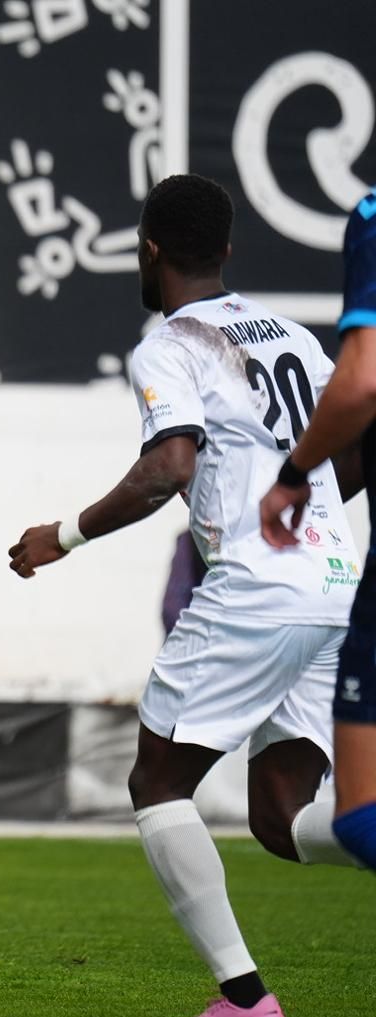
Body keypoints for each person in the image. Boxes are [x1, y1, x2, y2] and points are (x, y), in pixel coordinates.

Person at [8, 174, 364, 1017]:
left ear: (149, 247)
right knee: (285, 817)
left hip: (253, 588)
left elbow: (170, 464)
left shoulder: (170, 344)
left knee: (157, 780)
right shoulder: (294, 335)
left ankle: (246, 1001)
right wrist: (314, 511)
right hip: (334, 589)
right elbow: (362, 438)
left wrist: (64, 533)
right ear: (230, 250)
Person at [258, 185, 376, 873]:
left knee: (357, 817)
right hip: (334, 587)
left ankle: (246, 986)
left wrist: (296, 472)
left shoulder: (369, 216)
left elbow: (361, 384)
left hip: (305, 592)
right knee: (281, 814)